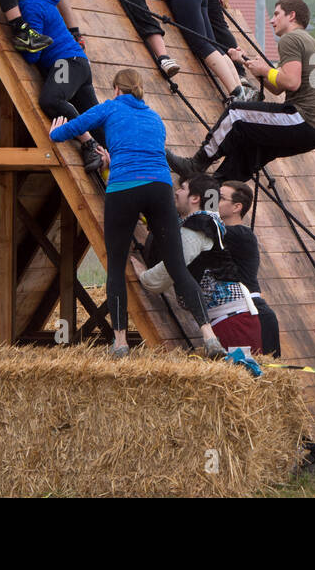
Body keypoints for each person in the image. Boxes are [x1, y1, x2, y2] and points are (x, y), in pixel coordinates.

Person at [49, 68, 222, 358]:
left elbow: (74, 127)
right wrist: (114, 157)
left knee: (116, 267)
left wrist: (55, 131)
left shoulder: (110, 107)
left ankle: (120, 342)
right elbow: (141, 150)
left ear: (117, 89)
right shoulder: (155, 118)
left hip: (125, 188)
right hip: (159, 188)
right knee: (178, 267)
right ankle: (209, 334)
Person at [170, 0, 315, 183]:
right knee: (246, 152)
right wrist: (246, 62)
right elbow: (277, 87)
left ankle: (195, 165)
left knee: (236, 113)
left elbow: (290, 82)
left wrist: (265, 70)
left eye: (277, 14)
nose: (272, 20)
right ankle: (213, 198)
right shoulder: (311, 43)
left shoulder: (291, 39)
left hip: (301, 118)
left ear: (292, 16)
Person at [138, 174, 260, 353]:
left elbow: (173, 267)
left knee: (233, 376)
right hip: (230, 318)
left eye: (182, 188)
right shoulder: (204, 221)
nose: (177, 192)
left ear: (195, 198)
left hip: (232, 322)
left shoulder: (199, 226)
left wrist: (144, 276)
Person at [14, 0, 103, 171]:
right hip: (77, 63)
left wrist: (22, 46)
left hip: (66, 64)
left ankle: (89, 144)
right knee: (98, 121)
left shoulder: (31, 6)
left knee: (51, 100)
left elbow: (34, 56)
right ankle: (114, 157)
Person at [217, 179, 280, 357]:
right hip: (241, 314)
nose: (213, 203)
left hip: (254, 314)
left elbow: (204, 227)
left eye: (219, 198)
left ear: (237, 207)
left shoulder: (240, 234)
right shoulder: (222, 232)